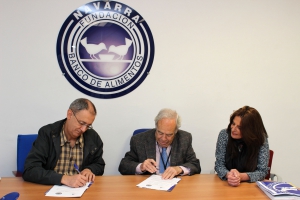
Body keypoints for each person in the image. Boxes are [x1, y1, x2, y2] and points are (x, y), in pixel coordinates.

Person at [23, 98, 105, 187]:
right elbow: (30, 170)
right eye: (81, 123)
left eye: (88, 126)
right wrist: (64, 179)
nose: (83, 129)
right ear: (69, 114)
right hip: (50, 189)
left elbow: (99, 164)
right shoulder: (47, 133)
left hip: (80, 191)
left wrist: (90, 169)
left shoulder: (93, 137)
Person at [118, 108, 201, 179]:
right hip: (148, 189)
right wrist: (141, 166)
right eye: (160, 133)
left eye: (169, 135)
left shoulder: (184, 138)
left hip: (176, 188)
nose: (163, 139)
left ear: (176, 132)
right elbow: (123, 166)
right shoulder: (139, 140)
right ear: (156, 127)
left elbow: (195, 165)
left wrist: (179, 169)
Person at [214, 106, 269, 187]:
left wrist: (241, 176)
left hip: (251, 186)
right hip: (227, 184)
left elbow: (262, 171)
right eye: (233, 124)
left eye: (239, 127)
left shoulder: (261, 139)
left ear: (250, 130)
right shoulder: (224, 135)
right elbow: (219, 165)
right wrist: (229, 175)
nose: (233, 129)